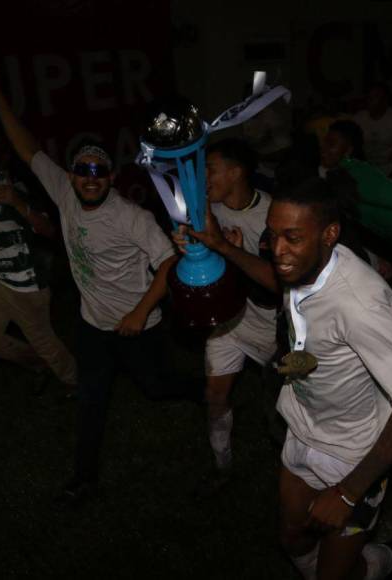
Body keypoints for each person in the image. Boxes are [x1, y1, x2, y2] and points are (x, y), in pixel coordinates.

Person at [0, 53, 182, 505]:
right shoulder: (63, 192)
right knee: (91, 400)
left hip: (137, 328)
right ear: (71, 175)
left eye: (98, 171)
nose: (90, 177)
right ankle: (84, 477)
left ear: (110, 178)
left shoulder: (131, 216)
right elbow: (28, 149)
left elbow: (169, 263)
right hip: (92, 328)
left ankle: (209, 389)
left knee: (156, 387)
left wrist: (140, 311)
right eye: (83, 169)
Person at [267, 176, 392, 580]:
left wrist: (347, 491)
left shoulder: (359, 305)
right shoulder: (304, 266)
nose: (277, 251)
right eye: (271, 236)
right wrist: (220, 248)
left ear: (330, 234)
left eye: (291, 238)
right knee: (293, 538)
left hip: (351, 455)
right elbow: (274, 276)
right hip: (303, 428)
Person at [174, 137, 280, 495]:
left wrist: (235, 252)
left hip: (272, 332)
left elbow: (278, 286)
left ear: (237, 172)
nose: (204, 178)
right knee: (214, 396)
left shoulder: (272, 217)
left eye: (211, 169)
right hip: (229, 323)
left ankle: (296, 476)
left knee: (283, 414)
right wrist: (188, 249)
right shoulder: (206, 208)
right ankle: (223, 465)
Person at [0, 139, 77, 391]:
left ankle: (77, 383)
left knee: (45, 341)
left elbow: (48, 230)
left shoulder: (10, 194)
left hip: (26, 285)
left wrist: (18, 204)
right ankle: (38, 364)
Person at [351, 83, 392, 176]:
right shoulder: (358, 119)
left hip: (390, 170)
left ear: (385, 100)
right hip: (365, 168)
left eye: (375, 97)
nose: (370, 100)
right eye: (368, 96)